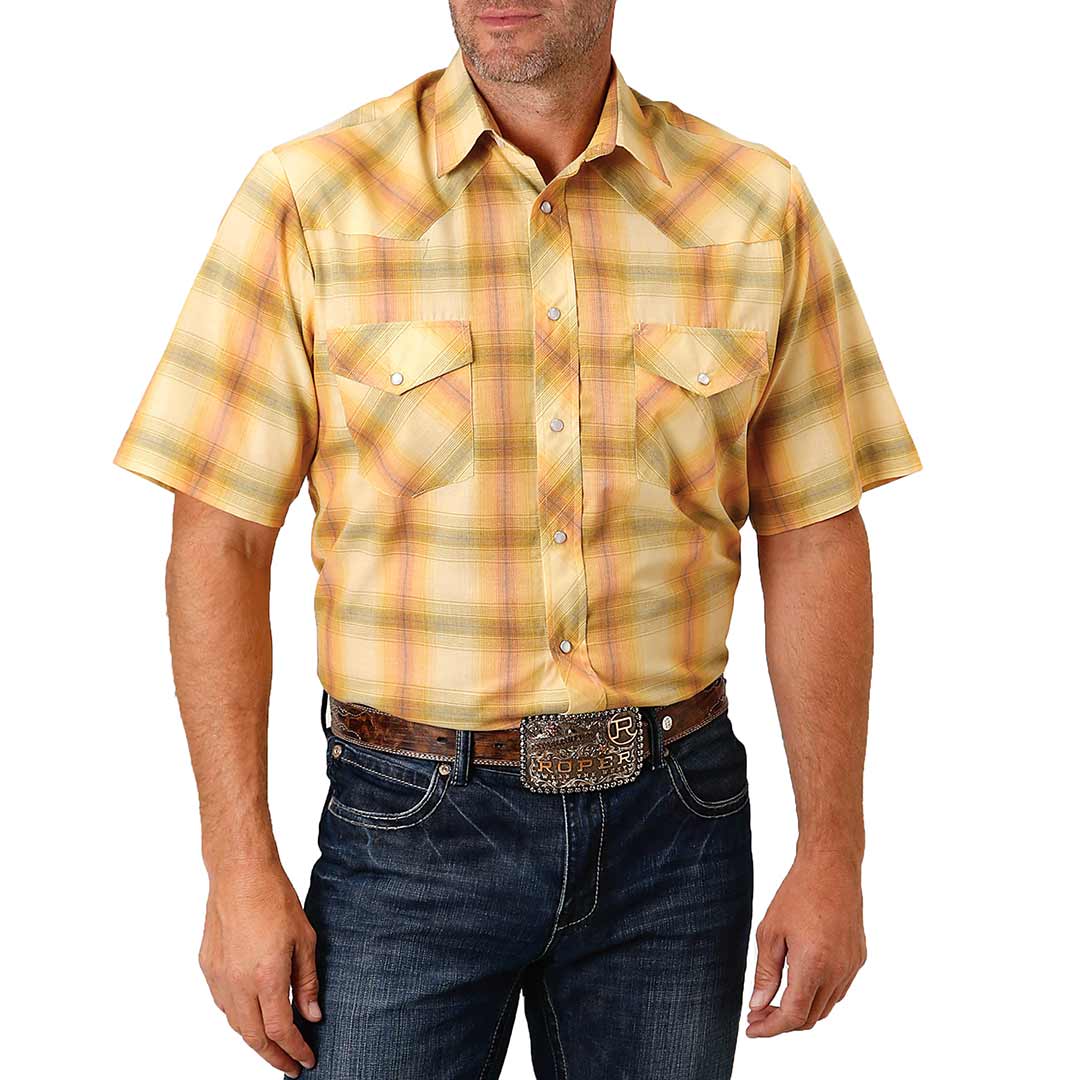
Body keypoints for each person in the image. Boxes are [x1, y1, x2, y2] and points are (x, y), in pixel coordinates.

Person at [112, 2, 922, 1077]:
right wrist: (235, 864)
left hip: (676, 835)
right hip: (408, 832)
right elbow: (218, 540)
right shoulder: (312, 197)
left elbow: (816, 534)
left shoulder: (753, 204)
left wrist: (833, 850)